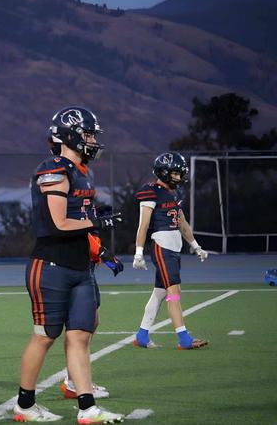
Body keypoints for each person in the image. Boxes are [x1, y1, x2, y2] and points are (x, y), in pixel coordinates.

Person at [12, 107, 124, 424]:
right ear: (71, 135)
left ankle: (87, 408)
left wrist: (100, 249)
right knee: (45, 336)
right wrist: (95, 220)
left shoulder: (82, 171)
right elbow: (58, 223)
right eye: (88, 134)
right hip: (51, 265)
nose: (93, 140)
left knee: (80, 336)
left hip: (79, 267)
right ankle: (24, 405)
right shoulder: (54, 169)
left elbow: (81, 221)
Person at [132, 152, 209, 350]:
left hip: (173, 248)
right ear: (163, 172)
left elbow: (182, 223)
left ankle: (142, 335)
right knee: (174, 292)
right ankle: (184, 339)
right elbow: (143, 224)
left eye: (179, 173)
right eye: (175, 173)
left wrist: (196, 246)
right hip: (162, 247)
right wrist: (138, 252)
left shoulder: (175, 193)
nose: (178, 177)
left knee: (159, 292)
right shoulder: (151, 191)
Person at [60, 230, 122, 400]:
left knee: (90, 322)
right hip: (75, 265)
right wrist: (100, 251)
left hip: (85, 264)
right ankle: (74, 382)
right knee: (77, 327)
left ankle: (75, 380)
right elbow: (77, 227)